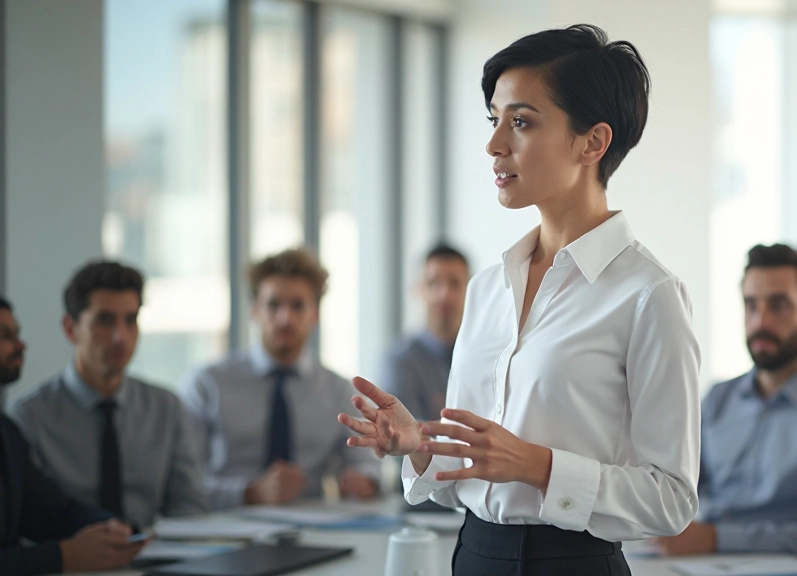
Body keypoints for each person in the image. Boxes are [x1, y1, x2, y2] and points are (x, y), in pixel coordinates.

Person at [338, 24, 701, 575]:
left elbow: (671, 498)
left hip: (573, 563)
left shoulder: (649, 296)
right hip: (474, 555)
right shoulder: (487, 288)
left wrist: (538, 466)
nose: (494, 144)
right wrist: (418, 443)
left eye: (521, 122)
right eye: (495, 120)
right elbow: (471, 475)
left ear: (593, 142)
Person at [656, 244, 797, 570]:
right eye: (751, 305)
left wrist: (716, 538)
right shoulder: (717, 400)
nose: (760, 321)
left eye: (779, 306)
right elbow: (675, 489)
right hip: (698, 566)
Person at [10, 262, 207, 529]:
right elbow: (30, 519)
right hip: (72, 564)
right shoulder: (29, 417)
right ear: (70, 328)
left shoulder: (165, 408)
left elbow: (189, 507)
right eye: (105, 321)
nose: (120, 337)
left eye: (131, 320)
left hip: (154, 557)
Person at [181, 248, 380, 509]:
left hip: (311, 531)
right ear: (255, 310)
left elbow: (369, 465)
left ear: (316, 314)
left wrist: (365, 481)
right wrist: (248, 493)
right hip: (224, 527)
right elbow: (182, 484)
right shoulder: (207, 385)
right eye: (273, 305)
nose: (285, 318)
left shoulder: (337, 391)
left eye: (298, 306)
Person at [0, 295, 146, 575]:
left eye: (17, 334)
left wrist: (112, 528)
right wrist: (63, 556)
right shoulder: (26, 414)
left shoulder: (6, 432)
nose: (21, 345)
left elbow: (52, 512)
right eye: (5, 335)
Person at [380, 244, 470, 422]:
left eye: (455, 283)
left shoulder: (486, 355)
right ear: (419, 289)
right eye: (434, 283)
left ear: (471, 289)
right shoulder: (400, 362)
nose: (444, 294)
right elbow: (403, 438)